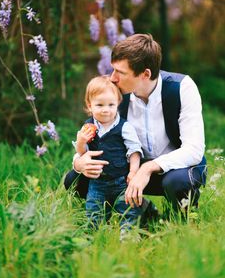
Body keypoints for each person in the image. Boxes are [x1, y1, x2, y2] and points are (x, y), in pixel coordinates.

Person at [64, 33, 206, 218]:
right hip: (129, 169)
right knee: (75, 180)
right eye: (112, 70)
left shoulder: (182, 88)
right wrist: (78, 162)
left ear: (145, 74)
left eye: (120, 73)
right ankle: (142, 213)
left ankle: (180, 221)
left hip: (175, 168)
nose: (112, 78)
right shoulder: (116, 93)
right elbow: (94, 135)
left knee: (178, 183)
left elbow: (194, 150)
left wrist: (148, 168)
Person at [74, 75, 144, 229]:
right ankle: (94, 236)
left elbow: (134, 151)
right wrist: (81, 143)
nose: (106, 110)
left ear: (118, 103)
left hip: (121, 180)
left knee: (128, 210)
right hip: (97, 182)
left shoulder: (125, 127)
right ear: (89, 105)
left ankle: (128, 235)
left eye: (111, 105)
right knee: (94, 212)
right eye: (99, 105)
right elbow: (83, 154)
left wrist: (133, 172)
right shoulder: (87, 127)